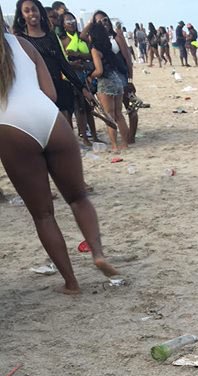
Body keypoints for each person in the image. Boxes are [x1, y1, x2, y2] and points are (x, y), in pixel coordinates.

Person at [0, 8, 117, 291]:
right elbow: (51, 93)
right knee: (78, 198)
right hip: (50, 118)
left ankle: (71, 282)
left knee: (43, 215)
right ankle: (98, 254)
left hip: (11, 127)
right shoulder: (23, 44)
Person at [13, 0, 74, 122]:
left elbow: (63, 63)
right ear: (22, 15)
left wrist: (82, 88)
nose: (31, 13)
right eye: (26, 11)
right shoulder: (19, 40)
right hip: (37, 92)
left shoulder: (51, 36)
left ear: (40, 12)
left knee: (65, 126)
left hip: (59, 87)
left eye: (34, 9)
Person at [87, 20, 128, 151]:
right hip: (117, 80)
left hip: (105, 83)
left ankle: (114, 145)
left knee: (109, 116)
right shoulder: (108, 47)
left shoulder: (95, 49)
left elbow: (99, 71)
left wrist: (90, 75)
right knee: (119, 114)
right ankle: (125, 143)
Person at [61, 10, 95, 144]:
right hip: (73, 76)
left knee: (89, 107)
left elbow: (91, 54)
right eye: (68, 21)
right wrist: (74, 62)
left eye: (73, 21)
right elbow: (63, 60)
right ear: (63, 24)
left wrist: (78, 55)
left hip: (86, 74)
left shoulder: (82, 37)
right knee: (79, 107)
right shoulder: (63, 40)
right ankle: (84, 137)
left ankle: (94, 135)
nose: (71, 23)